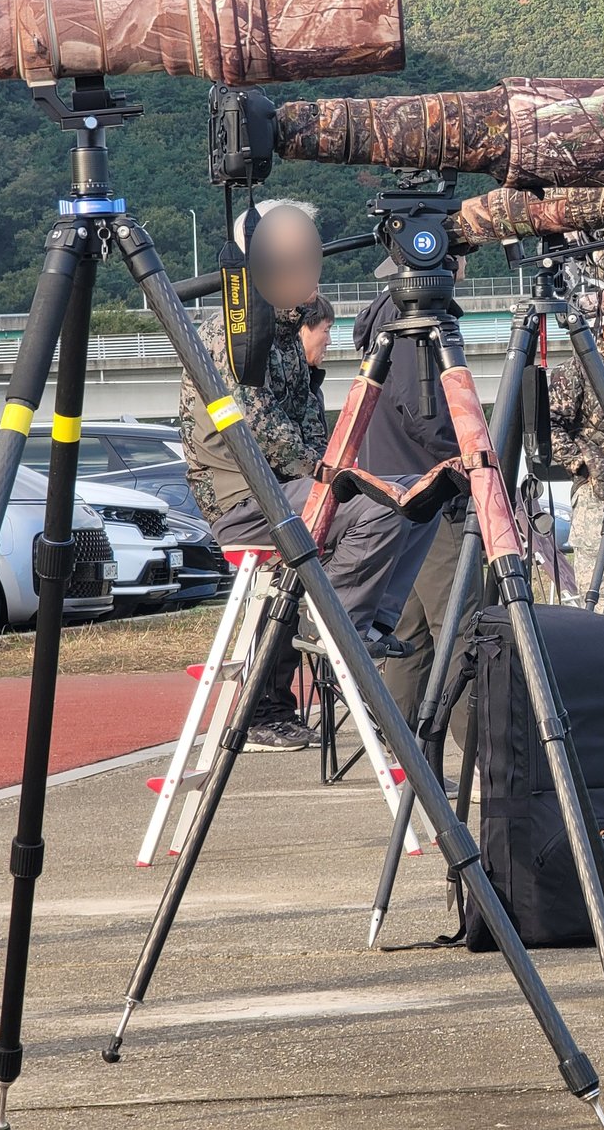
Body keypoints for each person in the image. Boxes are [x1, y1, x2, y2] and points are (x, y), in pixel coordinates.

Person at [179, 201, 433, 752]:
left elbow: (310, 431)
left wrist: (345, 474)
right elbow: (256, 426)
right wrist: (335, 477)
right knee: (383, 506)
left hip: (283, 491)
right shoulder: (235, 323)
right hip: (243, 499)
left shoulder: (287, 333)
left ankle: (369, 624)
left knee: (416, 500)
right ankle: (335, 624)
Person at [352, 257, 478, 763]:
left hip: (391, 495)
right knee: (462, 629)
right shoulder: (416, 323)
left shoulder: (383, 317)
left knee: (410, 636)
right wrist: (473, 458)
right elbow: (423, 411)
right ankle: (483, 758)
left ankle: (405, 757)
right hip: (428, 495)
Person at [548, 290, 604, 600]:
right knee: (600, 588)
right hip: (597, 495)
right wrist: (582, 463)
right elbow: (552, 423)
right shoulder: (575, 370)